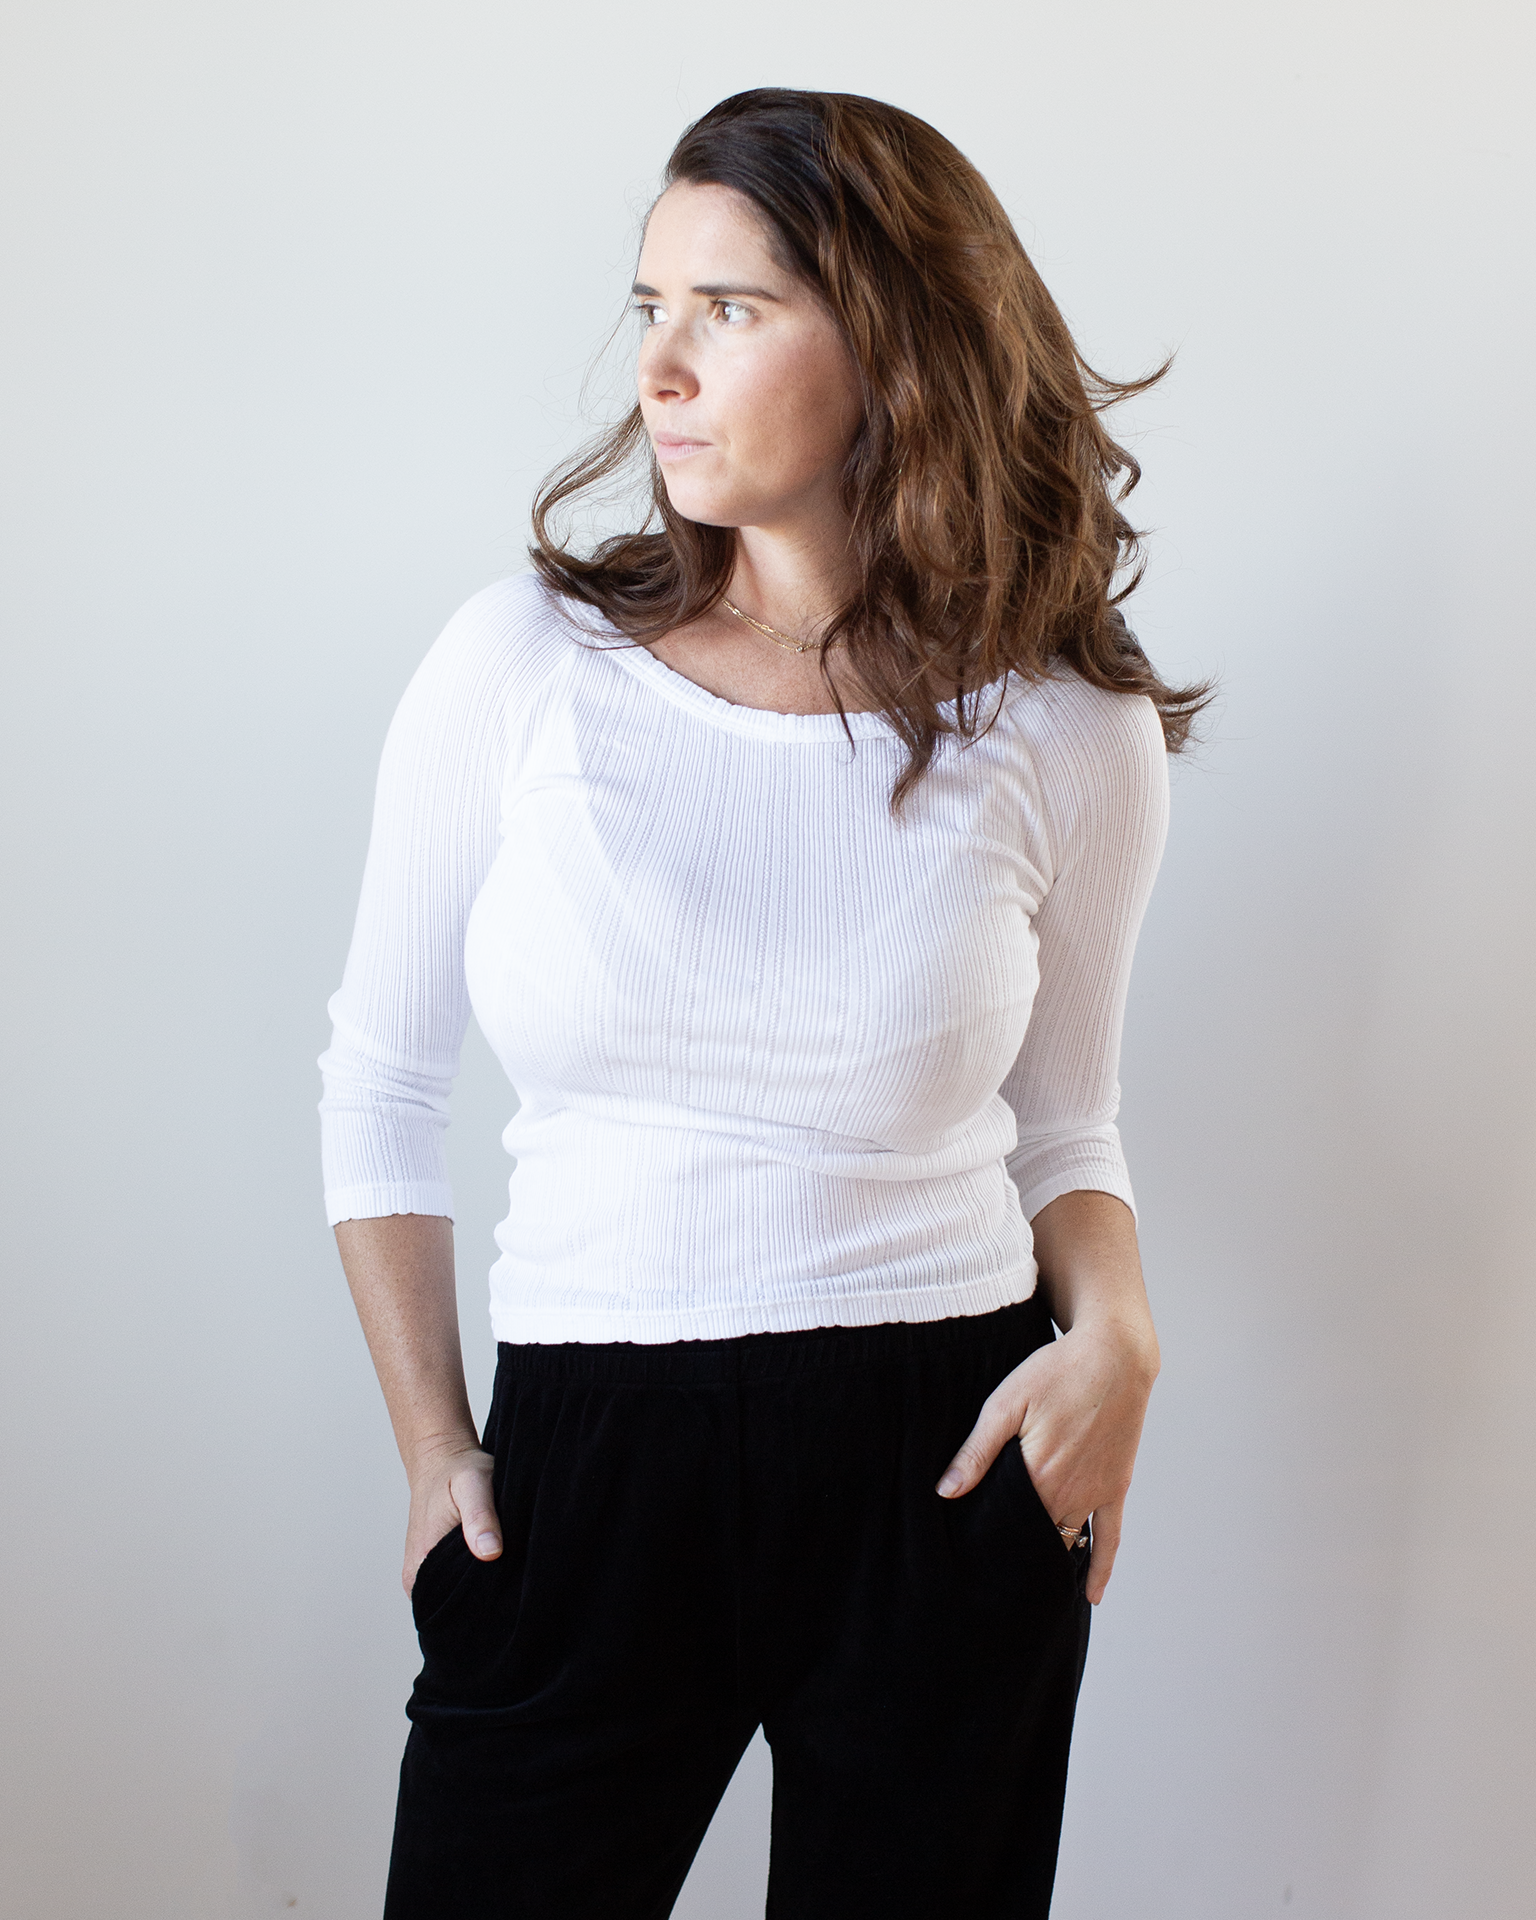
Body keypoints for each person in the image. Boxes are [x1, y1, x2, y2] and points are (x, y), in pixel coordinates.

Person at [319, 86, 1203, 1920]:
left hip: (940, 1467)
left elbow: (1068, 1124)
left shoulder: (1069, 726)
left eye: (729, 309)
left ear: (893, 335)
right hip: (581, 1462)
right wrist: (433, 1452)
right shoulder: (524, 668)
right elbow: (381, 1087)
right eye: (650, 308)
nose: (661, 367)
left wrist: (1119, 1334)